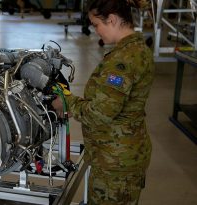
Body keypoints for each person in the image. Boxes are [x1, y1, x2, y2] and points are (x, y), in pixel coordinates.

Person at [52, 0, 154, 204]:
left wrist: (67, 103)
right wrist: (79, 104)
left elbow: (99, 115)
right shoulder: (138, 49)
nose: (96, 30)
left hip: (115, 162)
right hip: (123, 154)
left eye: (97, 24)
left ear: (113, 20)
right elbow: (108, 104)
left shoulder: (122, 61)